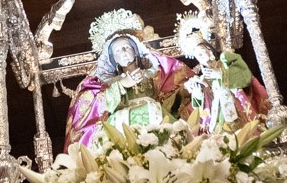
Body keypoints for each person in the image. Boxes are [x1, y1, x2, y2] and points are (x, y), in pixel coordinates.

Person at [62, 9, 193, 149]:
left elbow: (172, 95)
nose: (123, 52)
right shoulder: (109, 82)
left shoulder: (153, 73)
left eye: (126, 47)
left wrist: (191, 89)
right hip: (122, 122)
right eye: (117, 51)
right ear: (113, 59)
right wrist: (121, 85)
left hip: (155, 116)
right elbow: (95, 105)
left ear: (135, 50)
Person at [172, 10, 269, 136]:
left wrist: (219, 74)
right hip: (215, 115)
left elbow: (245, 76)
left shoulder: (226, 61)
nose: (201, 56)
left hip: (233, 108)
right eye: (198, 55)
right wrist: (197, 93)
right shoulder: (202, 76)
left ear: (210, 51)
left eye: (202, 52)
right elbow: (203, 103)